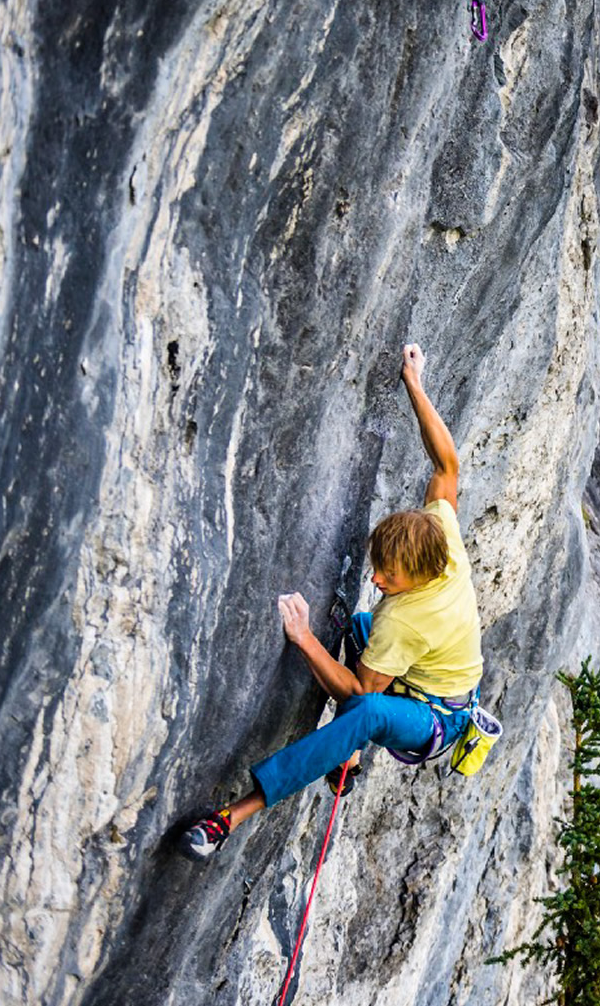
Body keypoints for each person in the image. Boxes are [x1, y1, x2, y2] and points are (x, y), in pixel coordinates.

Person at [179, 342, 483, 860]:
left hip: (435, 719)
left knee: (363, 713)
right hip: (423, 675)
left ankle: (229, 818)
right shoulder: (443, 535)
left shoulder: (410, 622)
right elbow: (447, 463)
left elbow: (356, 692)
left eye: (391, 577)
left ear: (421, 575)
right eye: (379, 566)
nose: (379, 578)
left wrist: (302, 639)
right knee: (360, 625)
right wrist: (415, 382)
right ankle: (346, 757)